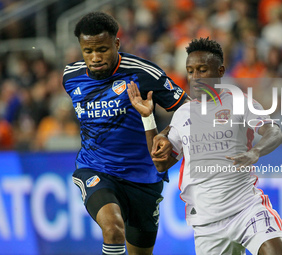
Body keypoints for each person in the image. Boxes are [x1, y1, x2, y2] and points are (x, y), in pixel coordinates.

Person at [127, 37, 282, 255]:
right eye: (190, 71)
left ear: (221, 70)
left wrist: (256, 151)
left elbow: (274, 131)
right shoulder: (182, 114)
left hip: (245, 208)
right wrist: (148, 119)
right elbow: (160, 164)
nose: (195, 78)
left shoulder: (240, 102)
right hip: (207, 223)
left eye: (202, 70)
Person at [62, 12, 188, 255]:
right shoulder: (71, 77)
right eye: (88, 51)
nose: (95, 58)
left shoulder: (142, 73)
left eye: (102, 49)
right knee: (113, 229)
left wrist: (165, 134)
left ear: (116, 44)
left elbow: (190, 108)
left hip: (143, 178)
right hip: (96, 168)